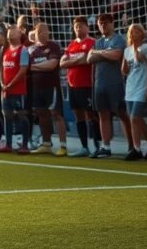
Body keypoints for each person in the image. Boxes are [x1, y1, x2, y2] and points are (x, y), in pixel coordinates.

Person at [86, 13, 132, 158]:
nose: (103, 25)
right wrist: (105, 53)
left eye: (105, 23)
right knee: (102, 114)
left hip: (116, 83)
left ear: (112, 23)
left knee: (122, 114)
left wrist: (99, 53)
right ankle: (106, 146)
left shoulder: (119, 39)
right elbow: (89, 58)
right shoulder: (98, 41)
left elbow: (116, 55)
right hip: (100, 83)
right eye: (100, 23)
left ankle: (132, 145)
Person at [59, 16, 98, 157]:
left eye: (81, 26)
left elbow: (86, 60)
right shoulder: (71, 45)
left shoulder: (92, 42)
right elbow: (62, 63)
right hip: (73, 85)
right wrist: (77, 61)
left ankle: (97, 145)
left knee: (91, 114)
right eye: (76, 27)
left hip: (87, 84)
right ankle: (84, 146)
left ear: (87, 27)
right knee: (78, 115)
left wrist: (72, 60)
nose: (78, 29)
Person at [121, 23, 147, 160]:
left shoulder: (146, 48)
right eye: (131, 31)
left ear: (142, 33)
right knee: (137, 119)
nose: (134, 33)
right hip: (130, 87)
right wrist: (124, 62)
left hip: (142, 87)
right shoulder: (127, 50)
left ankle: (136, 148)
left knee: (134, 117)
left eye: (137, 30)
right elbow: (125, 71)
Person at [27, 22, 68, 156]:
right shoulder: (32, 49)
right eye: (39, 32)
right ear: (35, 34)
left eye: (44, 31)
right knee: (41, 114)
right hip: (36, 87)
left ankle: (63, 146)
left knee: (56, 114)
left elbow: (52, 65)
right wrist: (38, 66)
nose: (42, 34)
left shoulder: (54, 46)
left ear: (49, 32)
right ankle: (46, 143)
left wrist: (35, 67)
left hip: (51, 86)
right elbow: (28, 66)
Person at [0, 26, 31, 154]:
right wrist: (2, 83)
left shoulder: (23, 50)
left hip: (18, 90)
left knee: (21, 115)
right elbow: (1, 68)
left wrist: (10, 84)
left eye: (13, 33)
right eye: (8, 33)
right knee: (7, 115)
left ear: (19, 34)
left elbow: (23, 70)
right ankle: (8, 144)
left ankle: (25, 144)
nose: (10, 35)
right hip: (5, 90)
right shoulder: (5, 50)